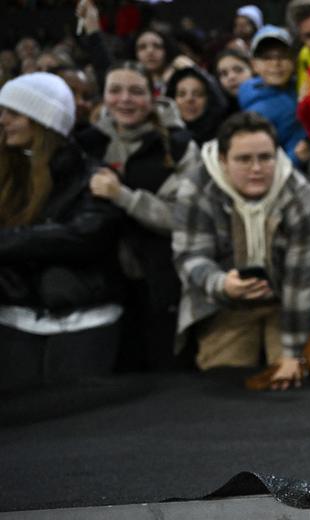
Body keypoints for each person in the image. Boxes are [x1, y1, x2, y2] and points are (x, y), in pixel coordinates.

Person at [173, 112, 310, 386]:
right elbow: (189, 255)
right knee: (224, 384)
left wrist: (293, 353)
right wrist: (221, 284)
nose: (257, 168)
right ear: (222, 160)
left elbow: (300, 283)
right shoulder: (196, 187)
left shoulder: (301, 194)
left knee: (294, 382)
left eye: (266, 158)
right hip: (221, 305)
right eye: (244, 159)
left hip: (285, 304)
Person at [0, 73, 123, 390]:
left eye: (14, 113)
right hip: (16, 321)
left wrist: (9, 242)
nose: (3, 121)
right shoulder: (9, 175)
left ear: (43, 121)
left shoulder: (92, 174)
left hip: (84, 324)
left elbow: (84, 236)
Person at [77, 62, 199, 371]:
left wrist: (123, 197)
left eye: (136, 91)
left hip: (162, 281)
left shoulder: (180, 145)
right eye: (115, 91)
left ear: (153, 95)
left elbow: (185, 218)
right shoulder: (87, 144)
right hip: (101, 285)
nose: (125, 100)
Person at [239, 26, 308, 169]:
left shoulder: (305, 86)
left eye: (283, 56)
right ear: (254, 65)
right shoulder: (256, 113)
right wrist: (295, 158)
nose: (276, 64)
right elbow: (260, 162)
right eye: (267, 58)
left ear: (293, 61)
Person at [167, 66, 230, 145]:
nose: (189, 99)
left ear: (210, 100)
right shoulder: (163, 139)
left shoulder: (226, 136)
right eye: (182, 94)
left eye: (198, 94)